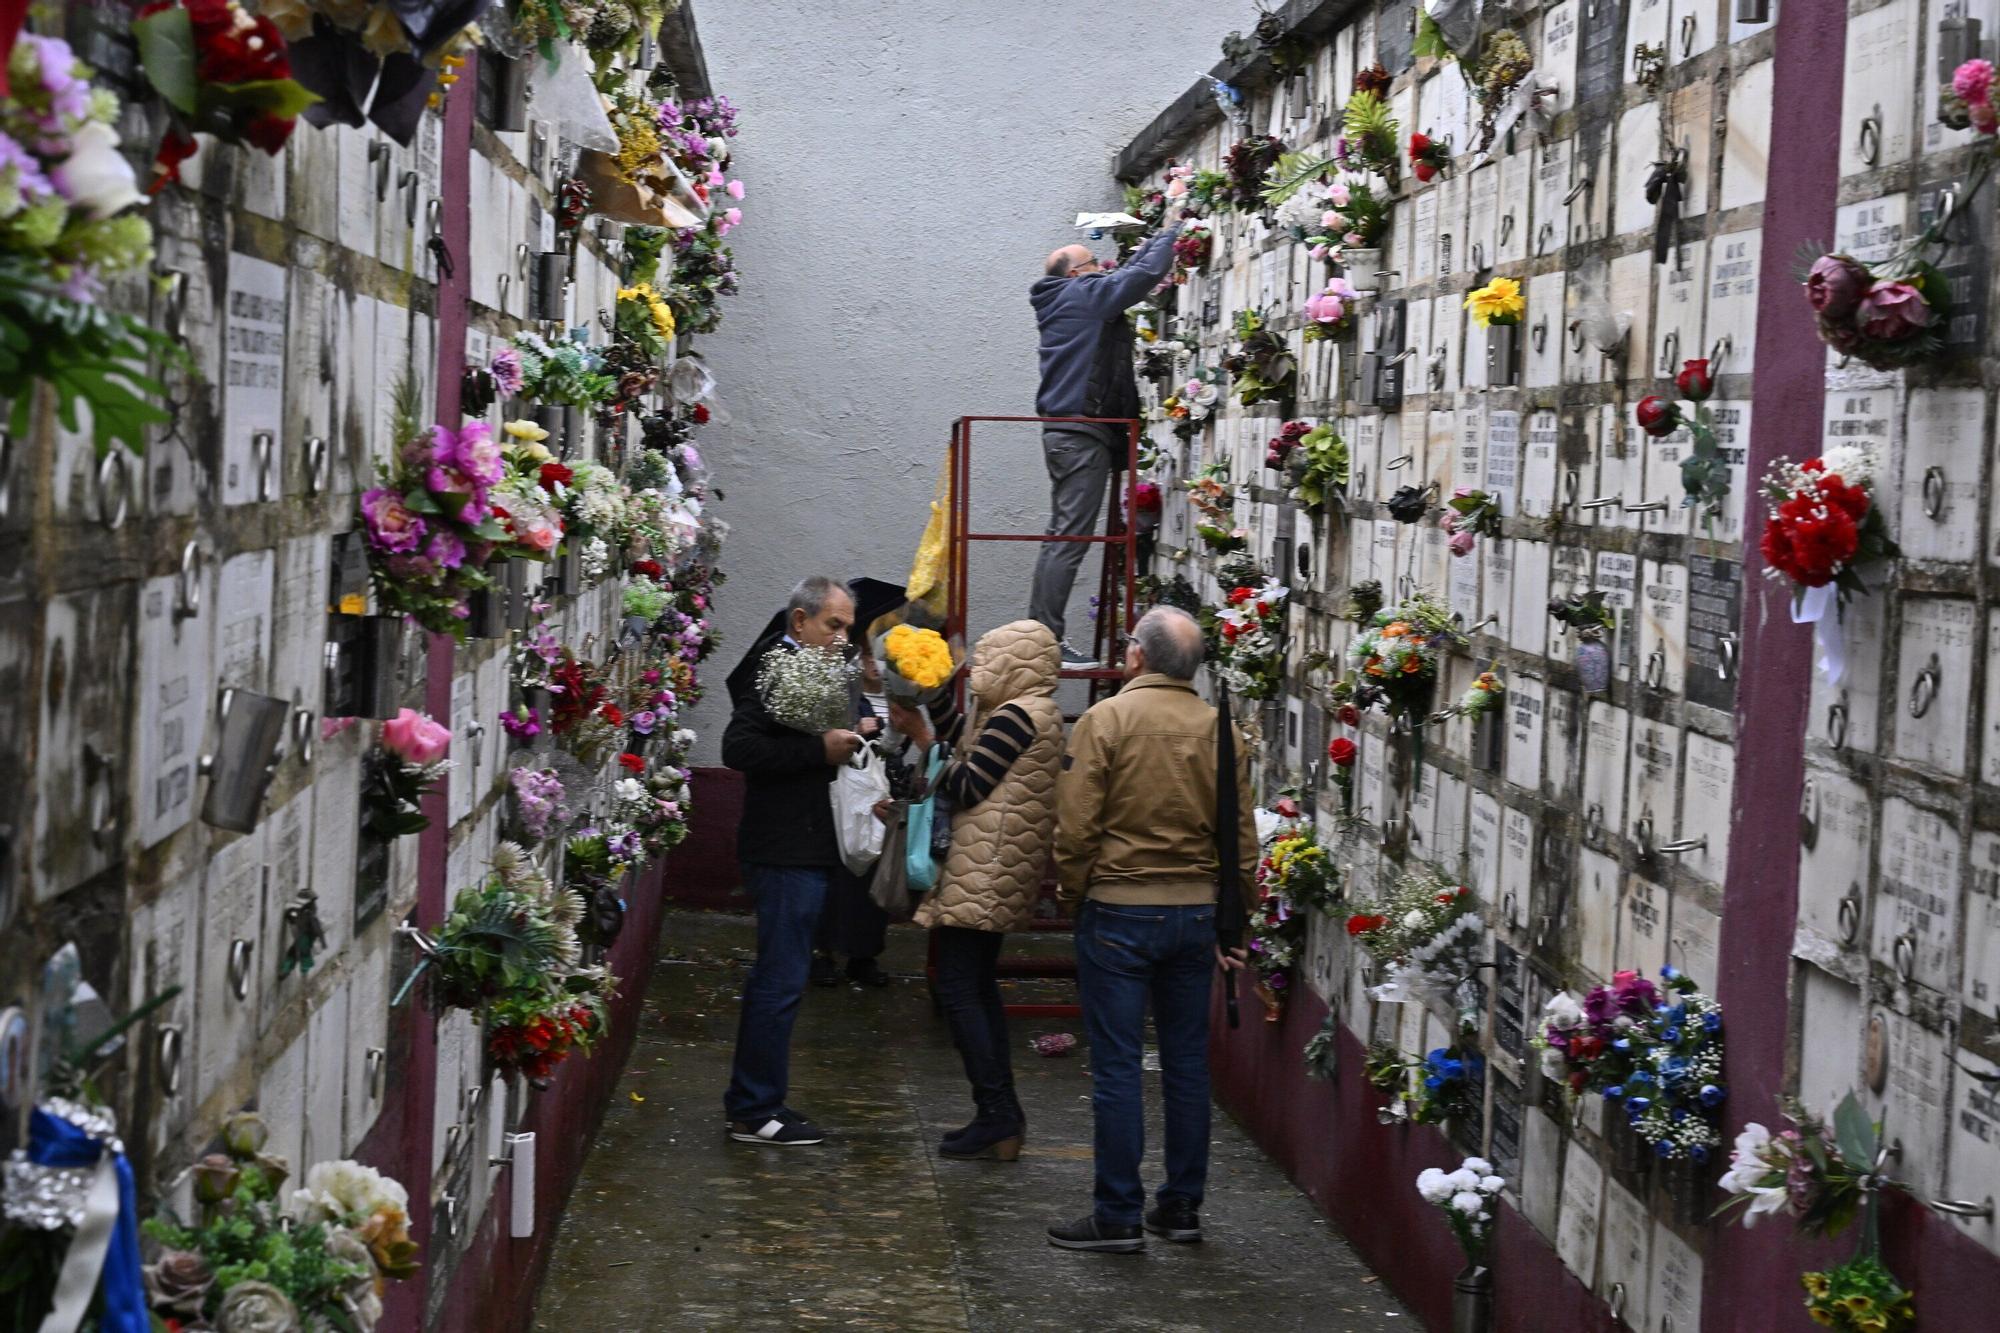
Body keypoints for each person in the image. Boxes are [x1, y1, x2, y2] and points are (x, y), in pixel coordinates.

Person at [1045, 607, 1256, 1252]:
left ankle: (1117, 1213)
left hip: (1117, 909)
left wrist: (1074, 894)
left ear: (1137, 655)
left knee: (1117, 1065)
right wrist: (1234, 924)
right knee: (1187, 1063)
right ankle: (1181, 1207)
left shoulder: (1106, 721)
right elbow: (1241, 842)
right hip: (1195, 915)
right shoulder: (1223, 731)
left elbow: (1076, 828)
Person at [890, 620, 1063, 1162]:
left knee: (961, 989)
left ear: (1014, 663)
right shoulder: (1030, 712)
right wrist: (934, 693)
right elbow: (968, 739)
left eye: (989, 659)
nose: (980, 668)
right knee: (977, 985)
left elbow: (968, 783)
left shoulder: (1017, 716)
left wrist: (924, 741)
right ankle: (1000, 1114)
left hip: (984, 868)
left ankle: (997, 1115)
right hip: (994, 866)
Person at [719, 575, 863, 1146]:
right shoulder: (775, 665)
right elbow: (738, 747)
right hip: (782, 850)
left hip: (804, 845)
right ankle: (754, 1110)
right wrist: (817, 749)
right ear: (800, 621)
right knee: (779, 980)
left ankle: (761, 1100)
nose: (842, 638)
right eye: (834, 625)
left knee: (786, 978)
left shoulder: (812, 670)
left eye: (848, 628)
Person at [1028, 184, 1187, 670]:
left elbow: (1123, 277)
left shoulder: (1066, 298)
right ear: (1076, 274)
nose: (1101, 268)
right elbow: (1139, 277)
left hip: (1069, 433)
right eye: (1094, 263)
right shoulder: (1082, 295)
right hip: (1081, 433)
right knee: (1069, 537)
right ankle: (1045, 640)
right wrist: (1174, 224)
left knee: (1063, 534)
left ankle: (1042, 636)